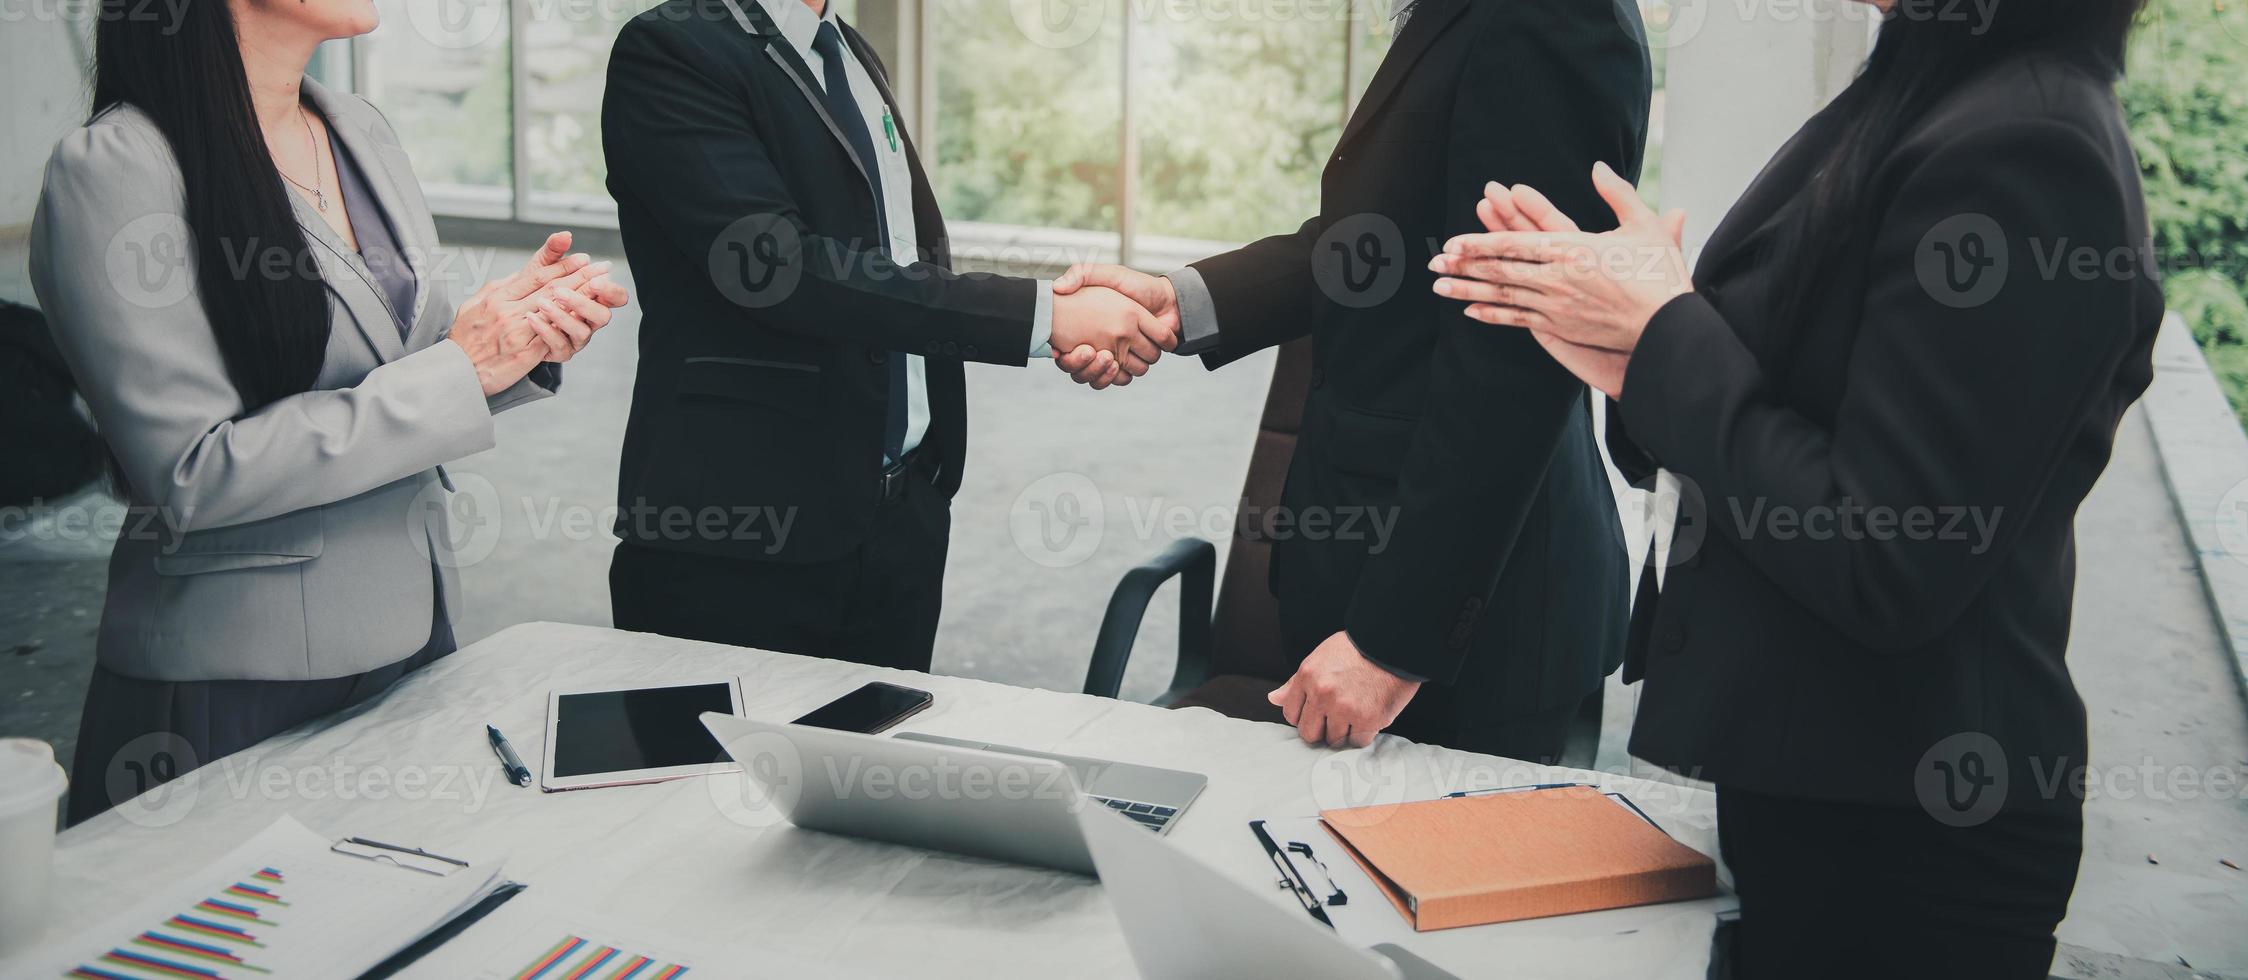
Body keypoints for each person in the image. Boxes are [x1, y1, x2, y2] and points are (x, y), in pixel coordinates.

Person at [1430, 0, 2157, 973]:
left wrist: (1660, 333)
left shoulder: (2025, 143)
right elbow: (1804, 405)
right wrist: (1627, 348)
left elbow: (1885, 554)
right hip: (1826, 800)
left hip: (1909, 849)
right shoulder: (1927, 89)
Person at [32, 0, 628, 824]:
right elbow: (192, 474)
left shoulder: (357, 128)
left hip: (414, 643)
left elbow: (406, 366)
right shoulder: (115, 168)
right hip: (234, 679)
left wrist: (510, 347)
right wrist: (461, 368)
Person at [1052, 0, 1651, 760]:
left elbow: (1513, 355)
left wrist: (1393, 647)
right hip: (1370, 561)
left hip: (1469, 621)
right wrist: (1180, 301)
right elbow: (1385, 246)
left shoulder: (1553, 17)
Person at [600, 0, 1174, 671]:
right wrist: (1043, 317)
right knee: (721, 773)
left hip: (899, 518)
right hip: (748, 532)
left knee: (877, 766)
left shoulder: (846, 50)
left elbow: (895, 265)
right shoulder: (672, 49)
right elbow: (781, 269)